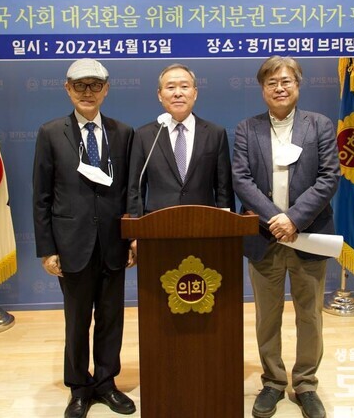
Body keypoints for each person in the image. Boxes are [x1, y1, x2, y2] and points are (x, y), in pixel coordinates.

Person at [232, 56, 340, 418]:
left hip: (309, 234)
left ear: (298, 84)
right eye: (271, 82)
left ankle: (306, 383)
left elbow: (329, 177)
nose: (279, 88)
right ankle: (273, 382)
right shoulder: (247, 128)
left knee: (309, 314)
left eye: (286, 81)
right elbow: (241, 179)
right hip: (265, 238)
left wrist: (293, 218)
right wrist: (275, 219)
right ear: (262, 88)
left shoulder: (319, 125)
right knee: (267, 315)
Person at [33, 59, 136, 418]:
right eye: (80, 85)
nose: (87, 92)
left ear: (106, 89)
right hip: (71, 245)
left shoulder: (123, 133)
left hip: (113, 244)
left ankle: (106, 383)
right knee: (77, 321)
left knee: (111, 318)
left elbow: (130, 191)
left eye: (95, 85)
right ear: (68, 89)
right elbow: (41, 196)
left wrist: (132, 237)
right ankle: (79, 387)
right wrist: (47, 249)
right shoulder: (50, 133)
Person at [127, 63, 235, 217]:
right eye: (170, 87)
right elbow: (135, 189)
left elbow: (223, 189)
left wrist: (226, 225)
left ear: (195, 93)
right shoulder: (144, 135)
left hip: (205, 223)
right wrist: (135, 227)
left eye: (184, 87)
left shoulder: (215, 134)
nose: (178, 93)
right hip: (157, 224)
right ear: (159, 95)